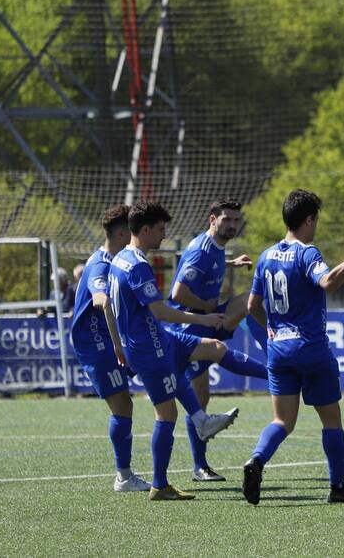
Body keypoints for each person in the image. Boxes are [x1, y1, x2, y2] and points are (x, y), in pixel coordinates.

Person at [240, 190, 344, 506]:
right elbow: (328, 282)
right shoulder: (307, 253)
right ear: (309, 220)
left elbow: (252, 305)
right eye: (315, 220)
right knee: (331, 420)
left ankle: (256, 460)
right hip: (310, 346)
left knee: (282, 422)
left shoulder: (266, 256)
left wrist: (270, 327)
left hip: (278, 349)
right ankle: (337, 486)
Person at [108, 201, 238, 501]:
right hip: (147, 348)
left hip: (143, 344)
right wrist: (201, 318)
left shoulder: (120, 260)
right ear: (145, 229)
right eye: (161, 230)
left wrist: (119, 342)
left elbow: (112, 308)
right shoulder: (139, 266)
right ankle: (160, 484)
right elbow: (160, 311)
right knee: (166, 414)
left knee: (178, 387)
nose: (164, 236)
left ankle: (201, 421)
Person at [165, 198, 264, 483]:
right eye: (227, 220)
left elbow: (215, 263)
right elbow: (177, 293)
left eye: (236, 220)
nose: (232, 224)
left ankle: (274, 356)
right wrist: (206, 308)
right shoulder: (200, 250)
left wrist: (232, 263)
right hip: (193, 324)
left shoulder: (217, 247)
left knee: (251, 301)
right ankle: (199, 467)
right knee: (199, 399)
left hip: (209, 317)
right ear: (212, 219)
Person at [69, 205, 148, 492]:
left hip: (103, 339)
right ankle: (124, 476)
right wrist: (117, 345)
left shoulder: (114, 259)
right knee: (122, 404)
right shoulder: (101, 264)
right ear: (121, 233)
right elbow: (101, 300)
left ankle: (125, 474)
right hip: (96, 342)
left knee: (125, 402)